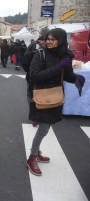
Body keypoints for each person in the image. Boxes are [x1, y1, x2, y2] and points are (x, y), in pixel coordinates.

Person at [27, 28, 86, 176]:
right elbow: (35, 76)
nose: (48, 41)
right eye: (48, 38)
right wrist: (58, 66)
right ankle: (32, 157)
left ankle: (36, 151)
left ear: (61, 41)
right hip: (40, 94)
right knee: (43, 129)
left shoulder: (65, 55)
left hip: (55, 95)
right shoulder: (40, 55)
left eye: (52, 39)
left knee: (45, 128)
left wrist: (76, 78)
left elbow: (65, 75)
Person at [23, 28, 49, 127]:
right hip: (47, 74)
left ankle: (34, 115)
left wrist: (28, 71)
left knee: (31, 94)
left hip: (33, 74)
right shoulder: (51, 45)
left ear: (39, 34)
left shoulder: (33, 45)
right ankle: (43, 114)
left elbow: (25, 60)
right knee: (45, 93)